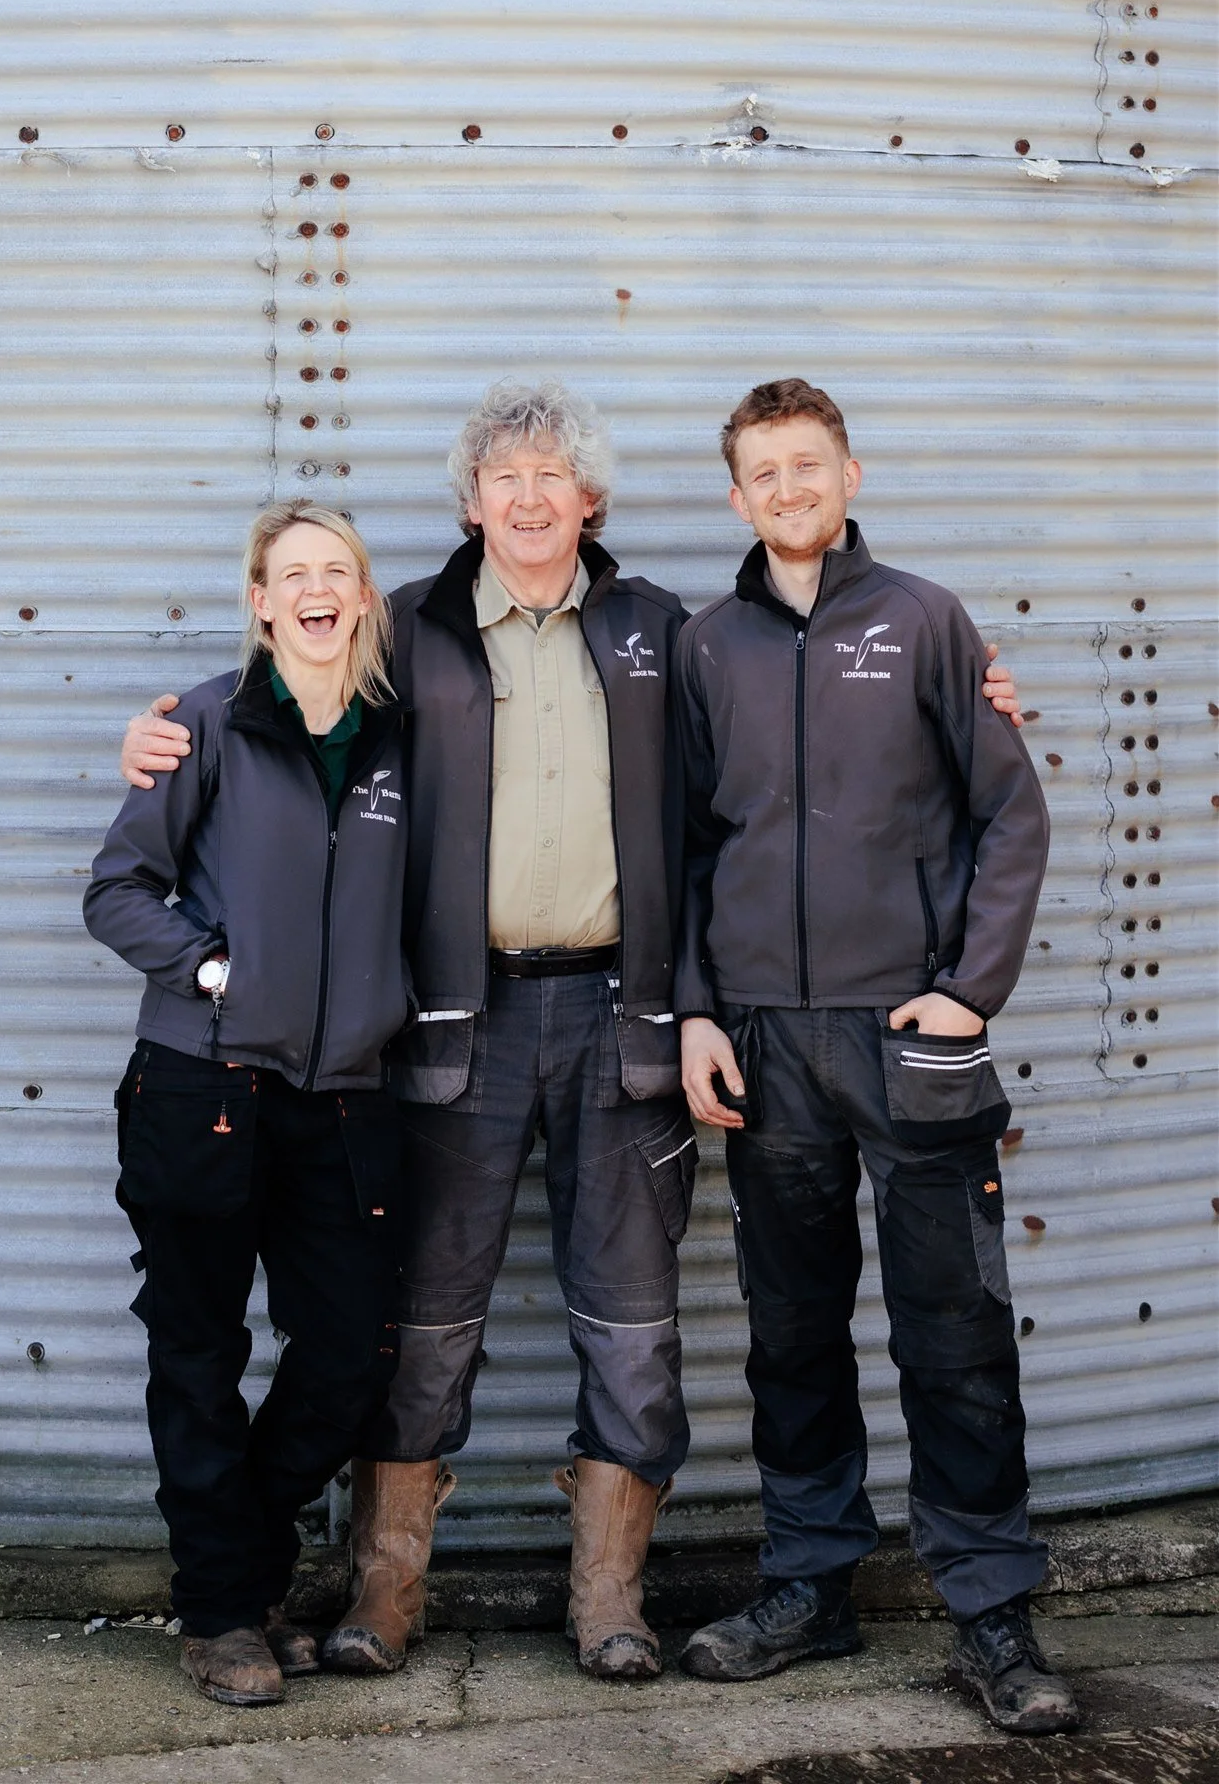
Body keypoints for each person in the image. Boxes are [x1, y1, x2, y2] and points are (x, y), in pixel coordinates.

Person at [119, 381, 1024, 1685]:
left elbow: (752, 778)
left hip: (624, 1023)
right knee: (423, 1322)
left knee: (632, 1321)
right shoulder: (404, 631)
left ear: (589, 499)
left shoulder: (670, 633)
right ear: (470, 503)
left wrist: (967, 681)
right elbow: (287, 693)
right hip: (452, 1025)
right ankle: (384, 1594)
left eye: (554, 476)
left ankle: (611, 1602)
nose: (531, 498)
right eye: (505, 479)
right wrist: (160, 731)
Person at [672, 379, 1076, 1737]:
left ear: (848, 472)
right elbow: (680, 848)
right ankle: (811, 1583)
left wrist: (970, 990)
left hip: (911, 1040)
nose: (787, 491)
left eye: (807, 465)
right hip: (768, 1047)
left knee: (953, 1334)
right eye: (762, 474)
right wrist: (697, 1011)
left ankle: (988, 1611)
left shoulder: (923, 621)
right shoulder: (706, 646)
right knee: (791, 1335)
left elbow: (1008, 818)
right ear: (736, 497)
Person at [84, 502, 409, 1709]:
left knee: (349, 1350)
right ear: (263, 601)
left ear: (365, 598)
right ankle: (225, 1611)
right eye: (293, 574)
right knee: (201, 1348)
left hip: (347, 1095)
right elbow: (118, 891)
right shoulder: (206, 724)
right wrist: (216, 969)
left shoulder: (395, 738)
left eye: (340, 571)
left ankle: (246, 1561)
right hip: (203, 1083)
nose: (318, 589)